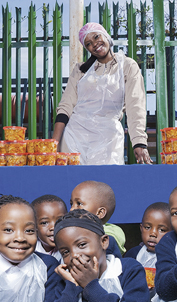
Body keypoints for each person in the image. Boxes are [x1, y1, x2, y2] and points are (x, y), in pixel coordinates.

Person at [51, 22, 150, 165]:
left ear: (106, 35)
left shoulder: (127, 66)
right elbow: (66, 106)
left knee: (106, 184)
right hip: (75, 137)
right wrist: (54, 144)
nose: (95, 44)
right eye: (89, 43)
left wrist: (139, 142)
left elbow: (135, 105)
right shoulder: (80, 70)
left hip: (109, 138)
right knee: (75, 185)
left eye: (97, 36)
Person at [70, 180, 124, 256]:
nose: (72, 209)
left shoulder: (107, 241)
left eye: (79, 204)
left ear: (100, 213)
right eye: (71, 204)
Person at [124, 202, 171, 270]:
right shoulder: (133, 254)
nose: (153, 234)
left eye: (162, 230)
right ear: (141, 228)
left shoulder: (176, 257)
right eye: (147, 227)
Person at [32, 194, 68, 262]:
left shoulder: (73, 250)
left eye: (59, 220)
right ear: (34, 226)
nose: (53, 227)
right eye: (44, 223)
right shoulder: (31, 251)